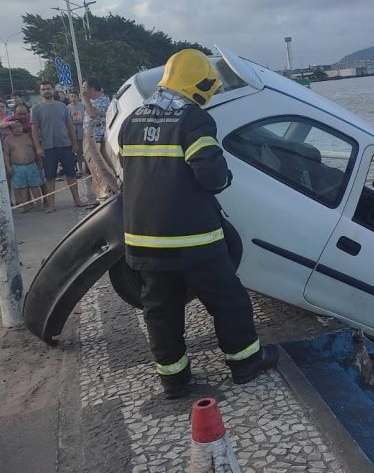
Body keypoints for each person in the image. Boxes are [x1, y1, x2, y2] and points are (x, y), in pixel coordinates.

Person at [118, 49, 278, 398]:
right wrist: (223, 179)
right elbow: (211, 174)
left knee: (160, 310)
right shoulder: (193, 120)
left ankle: (174, 380)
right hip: (193, 240)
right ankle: (245, 363)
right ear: (199, 85)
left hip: (143, 240)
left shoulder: (133, 121)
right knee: (228, 301)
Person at [31, 81, 85, 212]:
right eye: (43, 89)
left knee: (71, 174)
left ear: (53, 89)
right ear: (40, 92)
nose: (46, 91)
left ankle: (77, 200)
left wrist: (74, 143)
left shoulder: (63, 107)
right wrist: (38, 147)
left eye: (48, 88)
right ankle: (51, 205)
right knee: (50, 177)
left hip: (65, 145)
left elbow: (70, 125)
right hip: (48, 148)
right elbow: (34, 129)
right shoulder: (36, 108)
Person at [3, 120, 43, 212]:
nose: (17, 129)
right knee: (22, 188)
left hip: (31, 165)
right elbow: (6, 154)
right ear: (10, 130)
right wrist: (8, 167)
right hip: (17, 167)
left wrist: (39, 161)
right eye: (14, 128)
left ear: (22, 127)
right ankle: (25, 205)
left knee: (35, 186)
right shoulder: (8, 140)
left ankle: (39, 204)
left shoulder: (28, 137)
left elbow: (35, 149)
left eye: (19, 127)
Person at [81, 76, 109, 145]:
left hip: (99, 140)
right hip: (90, 138)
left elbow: (93, 114)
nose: (82, 91)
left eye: (84, 88)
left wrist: (85, 99)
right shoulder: (91, 100)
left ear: (92, 89)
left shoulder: (103, 100)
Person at [68, 90, 87, 174]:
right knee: (78, 152)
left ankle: (87, 168)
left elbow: (87, 118)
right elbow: (68, 121)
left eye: (75, 96)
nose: (73, 98)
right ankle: (80, 169)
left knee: (86, 151)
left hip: (84, 132)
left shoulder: (83, 106)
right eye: (71, 96)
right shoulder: (67, 108)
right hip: (74, 133)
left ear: (78, 97)